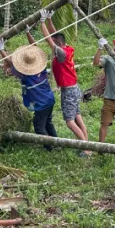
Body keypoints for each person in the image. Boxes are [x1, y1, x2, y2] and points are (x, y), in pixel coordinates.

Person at [32, 10, 89, 145]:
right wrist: (50, 20)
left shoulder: (61, 53)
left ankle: (86, 148)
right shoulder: (67, 48)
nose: (52, 43)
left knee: (70, 122)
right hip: (74, 88)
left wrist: (42, 22)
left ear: (58, 44)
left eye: (54, 42)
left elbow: (49, 39)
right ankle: (88, 144)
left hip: (69, 91)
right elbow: (54, 36)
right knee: (77, 117)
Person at [0, 39, 58, 145]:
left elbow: (11, 63)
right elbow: (36, 47)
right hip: (49, 99)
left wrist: (2, 50)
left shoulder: (26, 75)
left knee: (39, 126)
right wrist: (28, 34)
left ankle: (50, 148)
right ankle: (57, 143)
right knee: (48, 123)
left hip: (41, 104)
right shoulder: (41, 68)